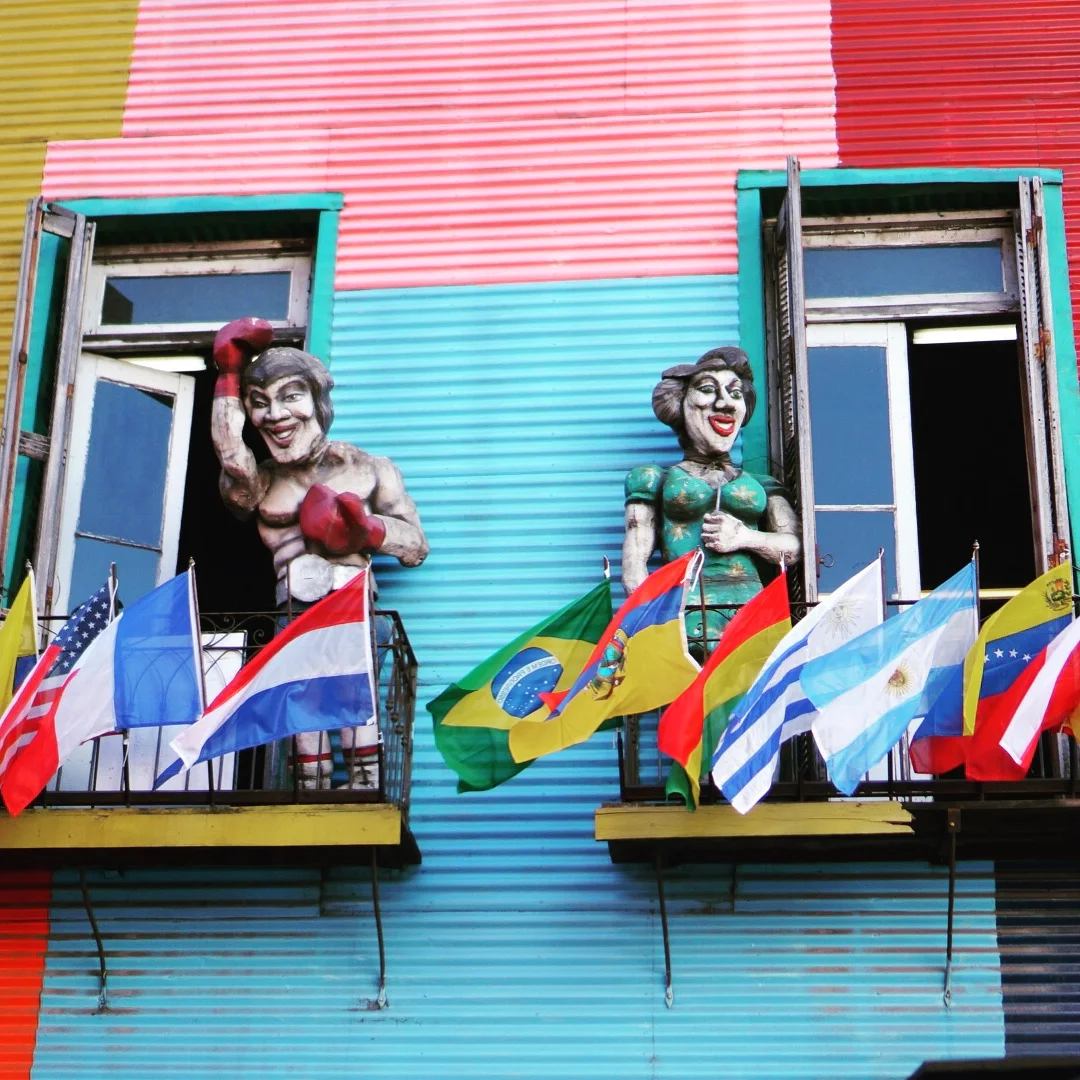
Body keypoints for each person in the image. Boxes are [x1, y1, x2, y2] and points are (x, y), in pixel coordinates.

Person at [211, 317, 430, 788]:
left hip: (352, 599)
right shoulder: (261, 481)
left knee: (354, 695)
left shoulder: (369, 467)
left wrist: (367, 531)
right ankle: (311, 789)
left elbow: (415, 545)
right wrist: (227, 377)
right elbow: (231, 457)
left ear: (317, 401)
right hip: (294, 605)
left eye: (290, 396)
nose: (275, 415)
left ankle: (366, 783)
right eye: (259, 403)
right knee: (302, 701)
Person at [623, 346, 800, 652]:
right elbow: (634, 564)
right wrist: (654, 632)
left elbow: (794, 547)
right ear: (680, 404)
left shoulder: (762, 485)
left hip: (752, 617)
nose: (725, 403)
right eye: (708, 390)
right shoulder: (653, 479)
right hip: (685, 617)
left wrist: (744, 537)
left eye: (735, 393)